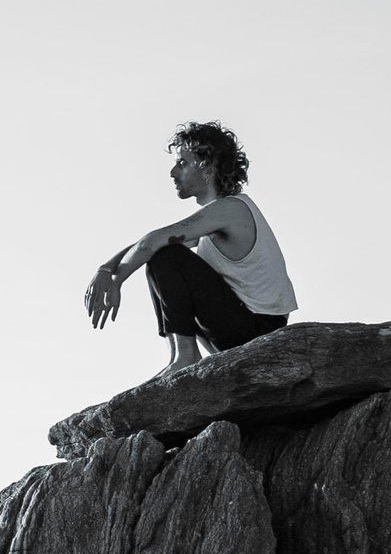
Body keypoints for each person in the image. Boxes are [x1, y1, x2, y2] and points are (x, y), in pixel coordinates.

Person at [84, 120, 297, 380]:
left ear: (206, 165)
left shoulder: (230, 210)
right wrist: (106, 269)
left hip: (258, 331)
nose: (173, 172)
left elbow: (154, 242)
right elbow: (147, 244)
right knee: (163, 253)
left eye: (182, 163)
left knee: (167, 256)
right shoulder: (214, 220)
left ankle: (185, 357)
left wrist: (115, 279)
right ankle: (179, 355)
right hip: (240, 328)